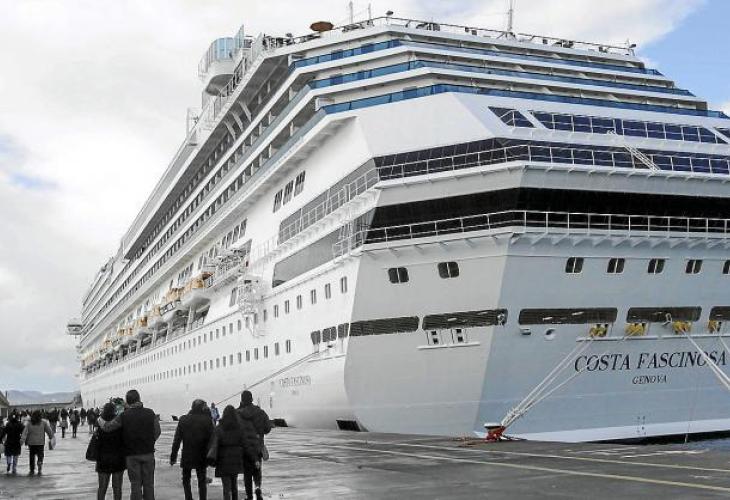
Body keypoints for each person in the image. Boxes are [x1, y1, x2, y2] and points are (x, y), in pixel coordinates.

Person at [101, 390, 161, 500]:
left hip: (131, 455)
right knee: (149, 484)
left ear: (127, 401)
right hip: (148, 453)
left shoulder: (124, 415)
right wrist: (150, 441)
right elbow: (157, 431)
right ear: (139, 398)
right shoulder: (150, 413)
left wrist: (100, 418)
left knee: (135, 484)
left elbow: (108, 427)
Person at [170, 399, 214, 500]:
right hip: (202, 455)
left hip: (187, 455)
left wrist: (173, 457)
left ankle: (188, 498)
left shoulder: (183, 419)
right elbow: (212, 439)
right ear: (202, 408)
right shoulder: (207, 420)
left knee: (186, 479)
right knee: (202, 480)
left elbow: (177, 440)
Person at [237, 391, 271, 500]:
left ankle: (249, 496)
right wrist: (260, 432)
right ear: (251, 399)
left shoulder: (238, 413)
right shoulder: (260, 412)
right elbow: (268, 428)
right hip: (258, 445)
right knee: (257, 469)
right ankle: (257, 487)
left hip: (244, 447)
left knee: (247, 472)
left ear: (242, 400)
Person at [213, 406, 250, 500]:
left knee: (226, 487)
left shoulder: (219, 428)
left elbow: (214, 443)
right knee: (234, 485)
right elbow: (245, 444)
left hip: (223, 459)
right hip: (236, 459)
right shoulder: (239, 428)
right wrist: (251, 457)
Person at [96, 403, 126, 500]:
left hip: (103, 459)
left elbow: (96, 441)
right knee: (117, 487)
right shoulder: (119, 423)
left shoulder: (99, 423)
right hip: (118, 458)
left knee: (102, 487)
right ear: (114, 410)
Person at [20, 410, 54, 476]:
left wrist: (22, 440)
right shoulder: (43, 422)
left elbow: (24, 432)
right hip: (40, 442)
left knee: (32, 456)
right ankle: (40, 463)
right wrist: (51, 436)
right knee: (40, 454)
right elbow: (49, 431)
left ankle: (32, 470)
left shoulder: (29, 423)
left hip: (31, 442)